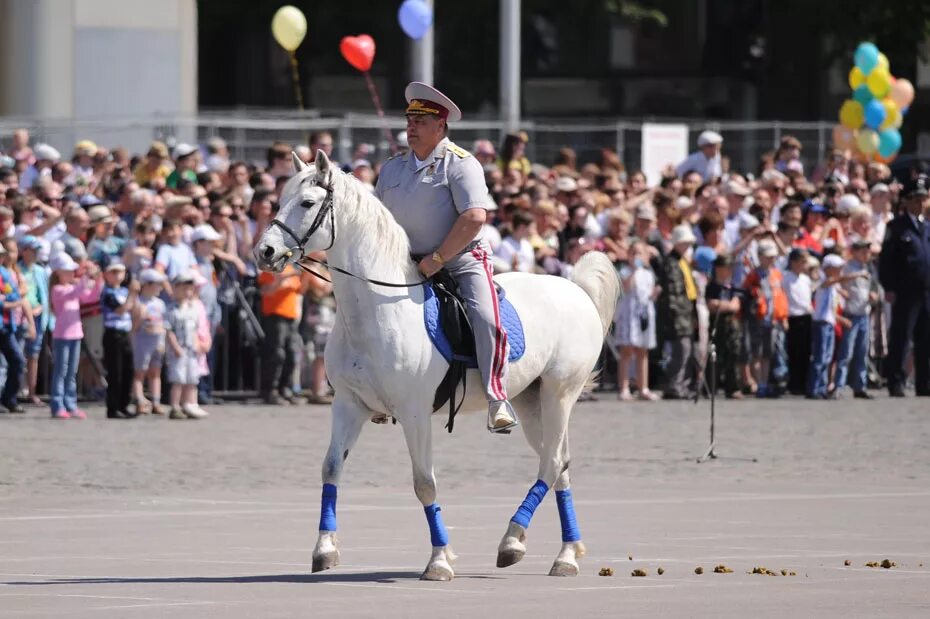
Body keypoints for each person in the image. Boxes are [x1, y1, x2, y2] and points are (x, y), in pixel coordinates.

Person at [374, 82, 517, 433]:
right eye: (409, 119)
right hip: (404, 261)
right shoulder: (392, 168)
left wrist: (437, 259)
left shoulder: (461, 164)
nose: (410, 126)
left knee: (485, 316)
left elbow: (474, 217)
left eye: (420, 121)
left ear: (440, 125)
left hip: (459, 259)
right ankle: (374, 391)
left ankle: (497, 397)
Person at [879, 174, 930, 397]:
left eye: (923, 198)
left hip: (926, 289)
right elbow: (887, 260)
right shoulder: (897, 227)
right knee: (902, 336)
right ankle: (896, 381)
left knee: (925, 338)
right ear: (907, 201)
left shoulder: (926, 226)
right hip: (905, 290)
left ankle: (924, 382)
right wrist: (888, 286)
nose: (920, 203)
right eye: (916, 199)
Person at [49, 253, 102, 419]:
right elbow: (75, 293)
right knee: (61, 370)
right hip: (62, 336)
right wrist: (87, 274)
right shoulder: (57, 290)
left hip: (75, 335)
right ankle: (58, 404)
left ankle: (70, 404)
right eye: (68, 271)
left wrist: (98, 279)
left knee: (72, 371)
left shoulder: (72, 288)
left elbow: (90, 296)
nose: (72, 274)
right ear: (58, 273)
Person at [614, 241, 660, 401]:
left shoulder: (648, 274)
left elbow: (648, 295)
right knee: (626, 351)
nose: (636, 256)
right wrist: (633, 270)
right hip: (628, 314)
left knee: (642, 351)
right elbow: (625, 287)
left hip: (643, 315)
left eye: (640, 253)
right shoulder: (625, 271)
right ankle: (624, 387)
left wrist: (655, 294)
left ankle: (643, 387)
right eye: (633, 253)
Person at [658, 224, 698, 399]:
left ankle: (680, 384)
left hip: (686, 312)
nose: (687, 247)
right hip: (678, 314)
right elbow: (673, 292)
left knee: (686, 350)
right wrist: (676, 315)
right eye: (684, 243)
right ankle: (674, 385)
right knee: (681, 350)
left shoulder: (682, 261)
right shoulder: (672, 262)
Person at [256, 264, 304, 405]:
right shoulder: (269, 269)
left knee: (291, 354)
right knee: (276, 354)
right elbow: (265, 291)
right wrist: (281, 280)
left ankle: (285, 388)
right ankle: (270, 390)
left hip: (291, 317)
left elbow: (299, 290)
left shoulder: (291, 268)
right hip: (275, 316)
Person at [835, 239, 875, 399]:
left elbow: (871, 286)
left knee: (862, 352)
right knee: (846, 352)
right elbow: (840, 280)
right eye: (863, 251)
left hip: (864, 313)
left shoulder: (867, 268)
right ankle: (839, 385)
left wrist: (874, 296)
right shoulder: (848, 267)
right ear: (855, 252)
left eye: (868, 251)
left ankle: (860, 385)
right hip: (850, 314)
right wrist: (858, 274)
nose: (867, 255)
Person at [165, 272, 208, 419]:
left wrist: (197, 344)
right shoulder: (171, 309)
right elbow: (169, 331)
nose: (187, 291)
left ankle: (189, 404)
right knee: (178, 379)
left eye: (190, 288)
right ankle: (175, 406)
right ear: (175, 288)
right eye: (184, 288)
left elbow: (195, 329)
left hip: (191, 349)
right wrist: (175, 347)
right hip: (179, 349)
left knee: (192, 379)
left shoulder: (193, 308)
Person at [100, 262, 137, 419]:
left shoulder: (123, 290)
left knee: (128, 371)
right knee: (116, 373)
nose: (117, 276)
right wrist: (133, 294)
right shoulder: (107, 293)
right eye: (113, 272)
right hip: (113, 334)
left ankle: (124, 404)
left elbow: (132, 309)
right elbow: (121, 310)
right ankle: (113, 407)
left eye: (119, 272)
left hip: (124, 333)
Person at [705, 253, 743, 398]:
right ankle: (711, 387)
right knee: (714, 355)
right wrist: (725, 305)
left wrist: (721, 305)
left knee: (732, 355)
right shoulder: (712, 287)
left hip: (731, 325)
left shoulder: (731, 287)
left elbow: (735, 306)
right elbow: (711, 304)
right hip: (716, 324)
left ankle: (732, 387)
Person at [131, 269, 167, 415]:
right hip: (142, 341)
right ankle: (140, 400)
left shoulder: (160, 303)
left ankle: (156, 401)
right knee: (140, 372)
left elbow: (164, 324)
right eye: (157, 284)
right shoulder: (138, 303)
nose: (160, 287)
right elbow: (133, 327)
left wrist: (163, 342)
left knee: (155, 372)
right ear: (147, 285)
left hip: (157, 341)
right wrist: (140, 316)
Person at [18, 236, 48, 405]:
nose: (35, 253)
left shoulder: (40, 271)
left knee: (34, 355)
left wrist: (43, 310)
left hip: (38, 314)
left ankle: (32, 391)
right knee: (18, 353)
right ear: (24, 250)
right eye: (32, 249)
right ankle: (16, 388)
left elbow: (44, 293)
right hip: (20, 315)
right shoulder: (17, 270)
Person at [0, 243, 27, 413]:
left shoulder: (3, 273)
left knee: (17, 361)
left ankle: (9, 398)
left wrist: (8, 301)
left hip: (6, 326)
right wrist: (8, 302)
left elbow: (14, 294)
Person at [782, 248, 813, 395]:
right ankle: (794, 382)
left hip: (806, 316)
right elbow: (789, 297)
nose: (804, 264)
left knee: (805, 351)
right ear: (793, 262)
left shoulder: (805, 279)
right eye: (802, 261)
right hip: (794, 317)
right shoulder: (787, 278)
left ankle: (803, 382)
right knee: (794, 351)